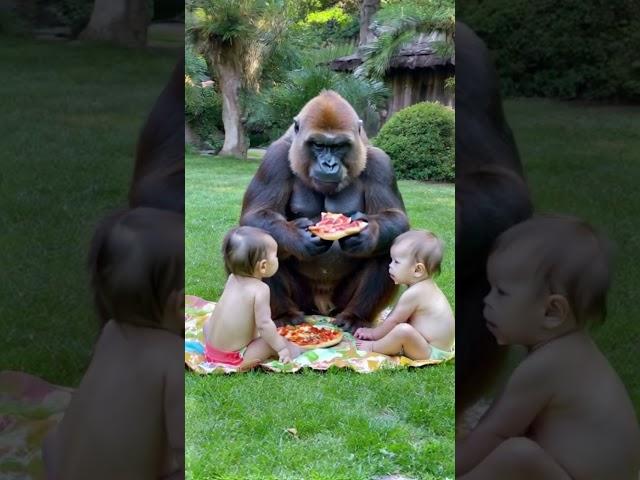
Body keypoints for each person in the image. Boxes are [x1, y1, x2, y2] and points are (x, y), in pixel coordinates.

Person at [456, 215, 640, 480]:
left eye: (502, 293)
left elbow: (492, 434)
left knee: (517, 454)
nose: (487, 300)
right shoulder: (573, 352)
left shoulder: (544, 367)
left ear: (552, 312)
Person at [42, 207, 185, 480]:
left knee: (57, 442)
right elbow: (185, 448)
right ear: (179, 304)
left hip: (58, 469)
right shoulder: (171, 359)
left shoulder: (110, 332)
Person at [203, 226, 302, 369]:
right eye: (275, 256)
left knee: (209, 323)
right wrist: (281, 348)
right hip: (234, 358)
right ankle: (296, 352)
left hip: (211, 350)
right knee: (268, 343)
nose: (277, 259)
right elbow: (264, 325)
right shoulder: (260, 290)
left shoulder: (232, 278)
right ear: (263, 266)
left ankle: (215, 350)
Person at [354, 230, 455, 360]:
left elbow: (394, 320)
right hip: (435, 346)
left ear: (417, 270)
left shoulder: (415, 293)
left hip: (430, 353)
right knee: (400, 325)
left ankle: (374, 346)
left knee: (403, 330)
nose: (390, 266)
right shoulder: (425, 287)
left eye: (396, 262)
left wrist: (373, 334)